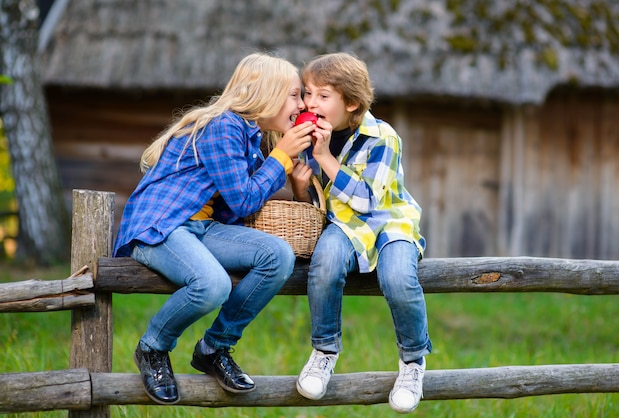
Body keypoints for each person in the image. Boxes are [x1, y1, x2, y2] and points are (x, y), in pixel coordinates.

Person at [113, 53, 317, 405]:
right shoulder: (224, 125)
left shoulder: (253, 140)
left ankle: (214, 347)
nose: (302, 105)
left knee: (277, 255)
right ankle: (153, 348)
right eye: (295, 94)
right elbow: (243, 200)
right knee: (212, 285)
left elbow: (244, 202)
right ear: (266, 93)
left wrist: (290, 172)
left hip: (203, 228)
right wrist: (281, 158)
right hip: (161, 227)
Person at [291, 52, 432, 414]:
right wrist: (300, 188)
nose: (310, 103)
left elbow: (369, 200)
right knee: (325, 263)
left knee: (398, 277)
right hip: (344, 224)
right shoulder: (311, 137)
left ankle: (413, 362)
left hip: (390, 221)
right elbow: (320, 205)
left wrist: (324, 158)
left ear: (351, 102)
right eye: (308, 93)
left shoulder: (383, 136)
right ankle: (324, 351)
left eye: (323, 96)